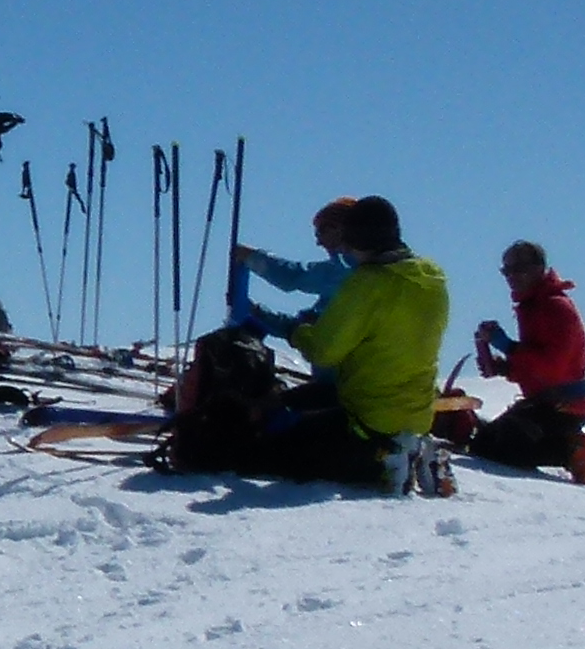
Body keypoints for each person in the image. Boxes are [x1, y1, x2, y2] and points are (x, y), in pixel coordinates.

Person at [184, 191, 451, 488]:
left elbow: (323, 351)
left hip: (368, 416)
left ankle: (383, 461)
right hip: (414, 414)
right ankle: (409, 447)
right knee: (287, 404)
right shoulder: (432, 277)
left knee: (265, 453)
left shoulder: (366, 283)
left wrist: (295, 331)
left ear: (356, 239)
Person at [467, 240, 585, 484]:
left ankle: (572, 451)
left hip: (564, 407)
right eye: (506, 270)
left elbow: (552, 367)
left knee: (505, 448)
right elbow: (538, 366)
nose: (511, 276)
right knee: (483, 444)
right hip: (546, 402)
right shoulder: (533, 305)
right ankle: (566, 446)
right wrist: (504, 367)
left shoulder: (555, 307)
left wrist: (507, 347)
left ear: (539, 268)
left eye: (518, 269)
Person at [227, 201, 360, 331]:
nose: (319, 242)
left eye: (321, 232)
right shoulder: (345, 281)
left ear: (339, 228)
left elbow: (292, 276)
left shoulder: (348, 271)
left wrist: (248, 256)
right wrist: (257, 312)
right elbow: (302, 329)